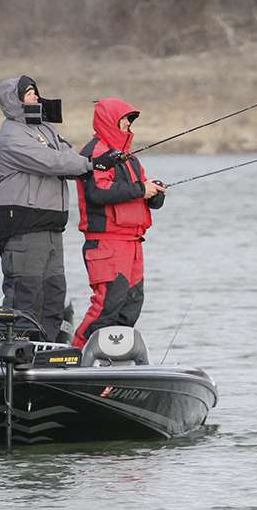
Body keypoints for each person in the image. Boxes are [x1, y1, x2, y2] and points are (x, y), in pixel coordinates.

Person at [0, 76, 122, 342]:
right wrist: (91, 164)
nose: (36, 98)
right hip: (23, 224)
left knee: (53, 292)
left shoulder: (45, 130)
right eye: (29, 94)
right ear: (13, 100)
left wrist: (93, 162)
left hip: (51, 225)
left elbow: (69, 157)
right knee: (25, 291)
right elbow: (52, 161)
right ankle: (17, 353)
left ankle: (49, 350)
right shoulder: (10, 136)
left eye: (35, 93)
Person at [73, 98, 165, 349]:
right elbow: (98, 193)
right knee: (106, 306)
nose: (128, 124)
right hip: (106, 242)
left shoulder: (130, 159)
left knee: (130, 306)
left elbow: (140, 192)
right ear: (110, 120)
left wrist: (154, 193)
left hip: (133, 242)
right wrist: (139, 190)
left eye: (131, 120)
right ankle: (76, 355)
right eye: (125, 119)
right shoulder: (95, 153)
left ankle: (110, 358)